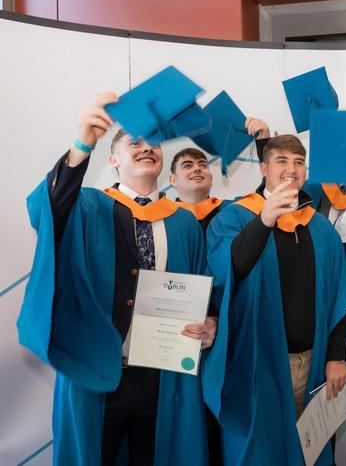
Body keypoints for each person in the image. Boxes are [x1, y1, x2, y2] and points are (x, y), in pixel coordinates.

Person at [17, 92, 217, 465]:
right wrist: (82, 144)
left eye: (154, 144)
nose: (147, 148)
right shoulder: (88, 207)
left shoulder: (183, 222)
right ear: (112, 160)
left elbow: (203, 284)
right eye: (134, 142)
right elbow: (47, 207)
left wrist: (210, 321)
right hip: (96, 371)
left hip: (161, 374)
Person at [203, 134, 346, 466]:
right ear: (263, 168)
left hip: (310, 363)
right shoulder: (236, 218)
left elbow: (339, 297)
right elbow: (228, 271)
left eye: (298, 162)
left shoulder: (319, 227)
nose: (291, 169)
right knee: (258, 453)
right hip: (256, 364)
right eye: (281, 161)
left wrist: (336, 357)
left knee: (305, 453)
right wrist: (264, 220)